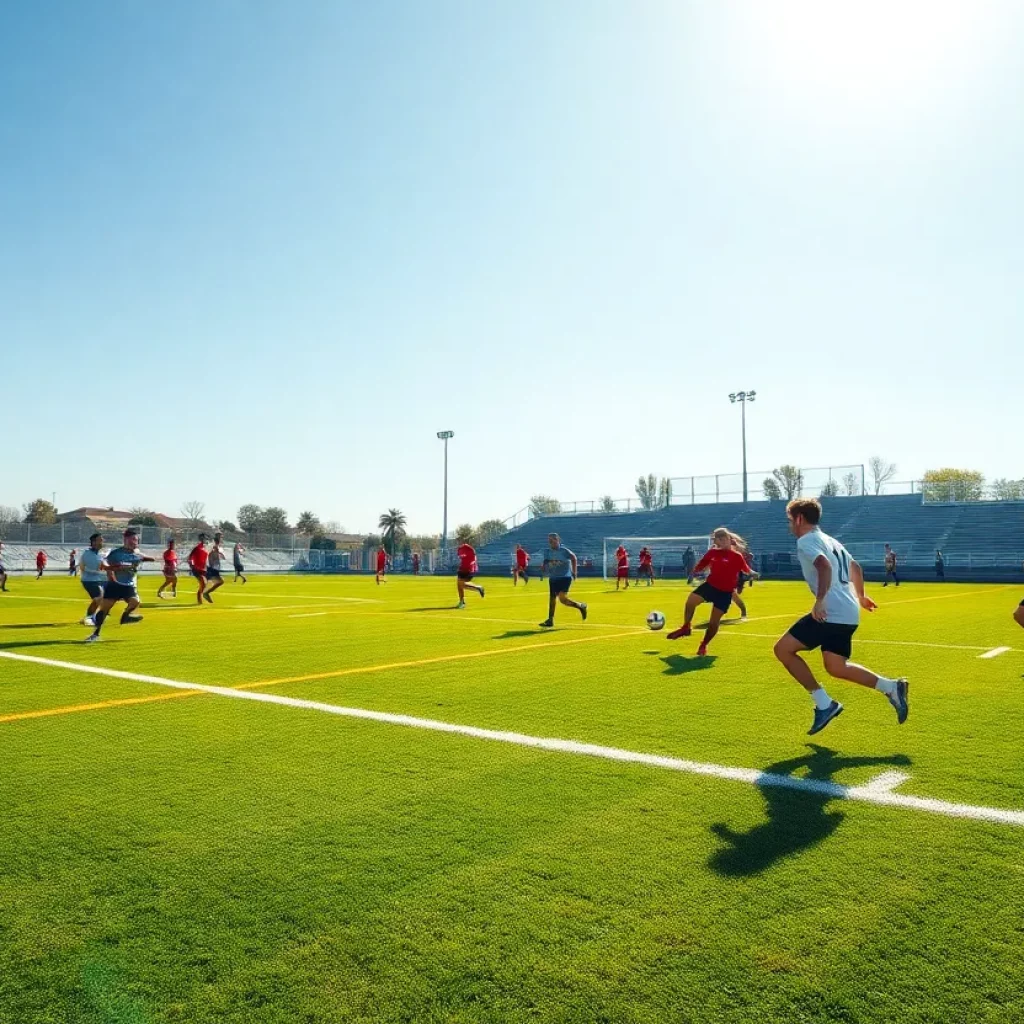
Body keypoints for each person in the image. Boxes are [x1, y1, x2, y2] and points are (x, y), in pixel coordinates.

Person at [773, 499, 909, 736]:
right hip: (849, 613)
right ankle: (891, 687)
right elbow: (855, 566)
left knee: (782, 649)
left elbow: (824, 566)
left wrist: (820, 600)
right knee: (836, 666)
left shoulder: (806, 541)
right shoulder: (831, 540)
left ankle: (825, 705)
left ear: (799, 519)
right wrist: (862, 597)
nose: (789, 526)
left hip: (832, 612)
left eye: (789, 520)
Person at [667, 528, 753, 656]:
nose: (721, 542)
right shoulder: (713, 552)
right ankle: (686, 627)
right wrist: (695, 571)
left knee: (714, 622)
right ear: (716, 542)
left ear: (729, 539)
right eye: (719, 540)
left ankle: (703, 645)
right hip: (711, 586)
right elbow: (701, 565)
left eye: (723, 539)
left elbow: (746, 570)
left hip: (725, 593)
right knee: (691, 601)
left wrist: (753, 574)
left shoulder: (737, 556)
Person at [85, 529, 156, 642]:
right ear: (126, 540)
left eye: (136, 540)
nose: (135, 542)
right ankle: (95, 634)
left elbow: (149, 558)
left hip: (128, 586)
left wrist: (148, 559)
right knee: (104, 610)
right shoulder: (116, 553)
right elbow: (105, 563)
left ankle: (125, 617)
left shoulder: (136, 554)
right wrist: (112, 573)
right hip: (114, 585)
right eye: (133, 539)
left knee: (135, 602)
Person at [539, 533, 587, 627]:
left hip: (565, 577)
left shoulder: (564, 551)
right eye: (549, 540)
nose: (550, 542)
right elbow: (546, 561)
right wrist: (544, 567)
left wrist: (574, 572)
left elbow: (574, 558)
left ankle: (581, 606)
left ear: (557, 540)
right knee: (553, 599)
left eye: (552, 540)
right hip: (553, 578)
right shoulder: (547, 551)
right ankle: (550, 620)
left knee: (562, 598)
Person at [77, 534, 107, 626]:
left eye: (102, 540)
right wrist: (98, 572)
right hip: (89, 580)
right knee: (99, 598)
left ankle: (90, 617)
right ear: (94, 542)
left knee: (100, 598)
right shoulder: (88, 553)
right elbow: (82, 567)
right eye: (100, 540)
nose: (102, 542)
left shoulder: (98, 554)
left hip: (98, 580)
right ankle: (89, 618)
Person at [455, 541, 484, 608]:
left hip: (470, 569)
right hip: (462, 568)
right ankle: (462, 602)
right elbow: (462, 558)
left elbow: (474, 556)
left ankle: (478, 587)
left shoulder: (468, 548)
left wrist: (472, 563)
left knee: (462, 584)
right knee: (459, 586)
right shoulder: (459, 549)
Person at [204, 532, 228, 601]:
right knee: (220, 582)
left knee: (216, 582)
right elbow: (208, 553)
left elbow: (219, 555)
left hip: (214, 568)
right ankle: (205, 594)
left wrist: (220, 554)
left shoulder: (217, 546)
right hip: (211, 568)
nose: (221, 539)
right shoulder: (212, 545)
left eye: (221, 537)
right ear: (217, 537)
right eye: (220, 537)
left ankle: (205, 594)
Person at [188, 534, 210, 605]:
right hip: (196, 569)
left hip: (203, 569)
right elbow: (190, 557)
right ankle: (199, 600)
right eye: (203, 538)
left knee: (205, 584)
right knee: (203, 583)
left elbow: (205, 558)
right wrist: (191, 565)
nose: (204, 540)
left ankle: (200, 598)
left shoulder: (205, 548)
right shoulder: (197, 548)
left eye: (205, 538)